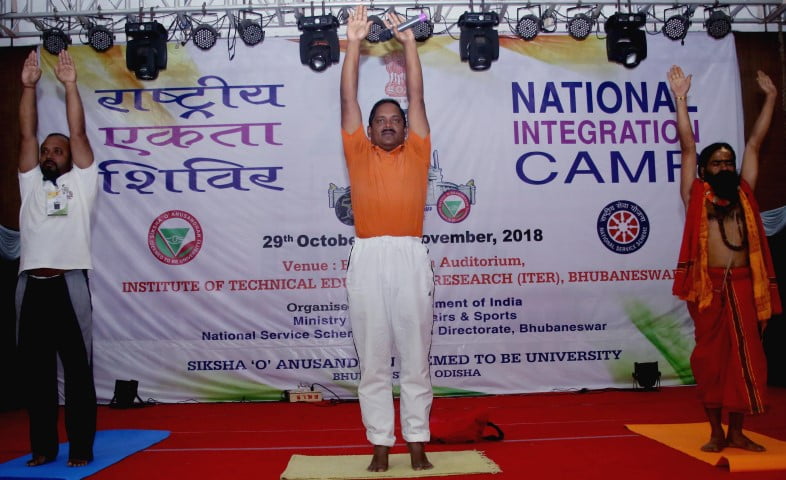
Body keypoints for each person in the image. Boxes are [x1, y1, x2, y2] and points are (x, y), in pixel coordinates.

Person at [340, 6, 435, 472]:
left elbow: (417, 95)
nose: (388, 123)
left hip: (410, 254)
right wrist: (354, 44)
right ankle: (380, 442)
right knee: (373, 358)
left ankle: (416, 439)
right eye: (380, 119)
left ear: (405, 124)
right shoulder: (358, 152)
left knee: (415, 356)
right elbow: (348, 100)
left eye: (395, 117)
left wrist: (410, 43)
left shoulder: (417, 151)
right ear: (370, 129)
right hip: (368, 255)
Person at [669, 65, 782, 453]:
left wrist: (771, 98)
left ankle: (737, 432)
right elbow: (687, 146)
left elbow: (755, 144)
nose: (724, 167)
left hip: (745, 286)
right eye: (716, 163)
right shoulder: (696, 196)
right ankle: (716, 432)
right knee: (712, 362)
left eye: (728, 162)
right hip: (709, 289)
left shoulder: (744, 194)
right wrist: (681, 99)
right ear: (705, 169)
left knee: (745, 360)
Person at [15, 49, 98, 467]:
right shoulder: (31, 184)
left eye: (57, 151)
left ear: (70, 158)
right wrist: (28, 88)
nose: (49, 155)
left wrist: (70, 86)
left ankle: (80, 448)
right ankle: (43, 448)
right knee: (37, 376)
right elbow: (26, 136)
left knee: (78, 373)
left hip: (69, 285)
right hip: (31, 287)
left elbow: (78, 135)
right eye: (47, 151)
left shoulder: (81, 185)